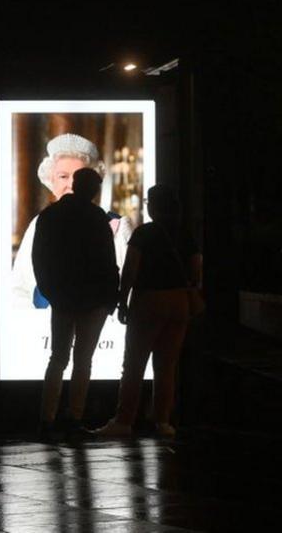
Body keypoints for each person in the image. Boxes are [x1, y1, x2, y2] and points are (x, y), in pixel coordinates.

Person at [97, 185, 202, 437]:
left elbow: (130, 270)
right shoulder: (185, 234)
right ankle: (163, 421)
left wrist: (122, 300)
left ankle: (124, 421)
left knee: (134, 364)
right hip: (180, 302)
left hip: (149, 301)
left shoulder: (144, 234)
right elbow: (196, 269)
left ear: (153, 206)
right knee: (166, 365)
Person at [33, 167, 119, 439]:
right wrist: (111, 297)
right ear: (94, 190)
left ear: (74, 184)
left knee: (57, 358)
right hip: (93, 299)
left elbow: (40, 258)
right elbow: (107, 261)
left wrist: (51, 292)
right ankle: (75, 416)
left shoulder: (50, 215)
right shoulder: (97, 217)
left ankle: (46, 418)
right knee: (83, 360)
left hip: (63, 297)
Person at [11, 132, 133, 309]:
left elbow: (128, 289)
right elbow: (19, 289)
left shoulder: (117, 226)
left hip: (100, 325)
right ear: (51, 181)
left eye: (78, 177)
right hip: (45, 326)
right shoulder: (39, 223)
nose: (71, 185)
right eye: (63, 176)